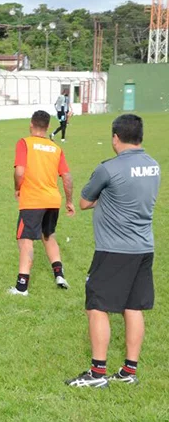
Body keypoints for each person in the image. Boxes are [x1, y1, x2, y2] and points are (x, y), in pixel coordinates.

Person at [65, 114, 160, 388]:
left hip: (114, 250)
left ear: (115, 137)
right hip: (144, 248)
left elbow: (84, 202)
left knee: (97, 306)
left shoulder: (109, 168)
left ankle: (97, 374)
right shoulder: (154, 166)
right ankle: (129, 371)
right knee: (134, 307)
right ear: (140, 137)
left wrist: (104, 198)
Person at [9, 110, 74, 296]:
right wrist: (69, 201)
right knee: (49, 236)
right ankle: (59, 275)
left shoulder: (25, 143)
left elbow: (20, 172)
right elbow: (67, 177)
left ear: (31, 124)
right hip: (53, 200)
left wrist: (17, 187)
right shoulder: (56, 148)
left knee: (25, 240)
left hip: (33, 200)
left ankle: (22, 287)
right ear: (47, 127)